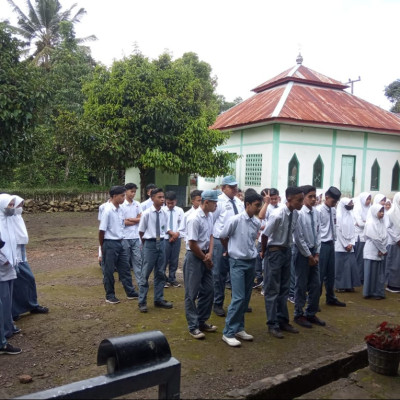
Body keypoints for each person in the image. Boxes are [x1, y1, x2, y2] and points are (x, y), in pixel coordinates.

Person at [220, 191, 262, 347]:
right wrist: (230, 250)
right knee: (237, 298)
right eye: (257, 205)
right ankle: (228, 332)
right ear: (248, 205)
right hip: (237, 262)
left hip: (251, 262)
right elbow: (223, 236)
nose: (258, 208)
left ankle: (239, 328)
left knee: (245, 298)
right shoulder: (235, 220)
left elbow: (253, 240)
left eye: (260, 205)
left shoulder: (256, 222)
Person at [261, 186, 304, 339]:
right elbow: (265, 234)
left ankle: (283, 320)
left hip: (287, 251)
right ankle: (272, 324)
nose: (301, 203)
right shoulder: (277, 214)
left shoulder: (295, 214)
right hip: (275, 251)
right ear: (289, 199)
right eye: (299, 200)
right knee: (272, 289)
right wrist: (264, 251)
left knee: (284, 288)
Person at [183, 190, 218, 340]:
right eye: (214, 202)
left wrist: (210, 253)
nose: (216, 205)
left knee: (209, 289)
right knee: (191, 293)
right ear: (206, 202)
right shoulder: (194, 218)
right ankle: (193, 326)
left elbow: (211, 235)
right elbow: (192, 243)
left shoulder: (209, 216)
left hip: (205, 255)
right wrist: (205, 257)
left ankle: (202, 320)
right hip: (194, 256)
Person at [99, 186, 139, 304]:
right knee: (109, 270)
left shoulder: (120, 209)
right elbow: (101, 231)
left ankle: (130, 292)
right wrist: (102, 247)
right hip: (110, 242)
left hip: (121, 241)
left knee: (125, 268)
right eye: (122, 196)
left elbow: (122, 224)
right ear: (114, 196)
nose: (123, 198)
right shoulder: (107, 211)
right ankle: (110, 295)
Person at [11, 196, 49, 320]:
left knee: (28, 279)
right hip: (11, 257)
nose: (20, 208)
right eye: (18, 205)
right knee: (13, 284)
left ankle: (32, 305)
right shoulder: (7, 219)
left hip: (21, 256)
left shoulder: (17, 218)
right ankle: (13, 311)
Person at [211, 175, 244, 317]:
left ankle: (237, 302)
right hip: (220, 241)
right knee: (219, 274)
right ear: (223, 188)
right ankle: (217, 303)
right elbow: (211, 221)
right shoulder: (218, 202)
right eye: (231, 187)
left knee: (236, 273)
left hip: (236, 241)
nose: (234, 189)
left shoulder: (239, 202)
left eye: (235, 186)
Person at [293, 185, 325, 329]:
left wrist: (317, 253)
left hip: (314, 251)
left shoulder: (316, 213)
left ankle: (311, 312)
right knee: (301, 284)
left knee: (316, 284)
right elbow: (299, 238)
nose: (313, 199)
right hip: (302, 252)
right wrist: (309, 255)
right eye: (310, 196)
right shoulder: (299, 213)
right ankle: (298, 314)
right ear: (303, 197)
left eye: (314, 196)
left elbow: (319, 233)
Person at [138, 188, 173, 313]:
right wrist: (147, 244)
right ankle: (142, 301)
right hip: (150, 243)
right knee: (145, 273)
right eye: (159, 197)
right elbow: (141, 231)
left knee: (160, 272)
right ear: (152, 198)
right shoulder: (147, 213)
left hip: (162, 243)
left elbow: (165, 228)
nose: (162, 199)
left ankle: (159, 299)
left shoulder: (164, 213)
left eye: (163, 197)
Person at [317, 186, 346, 307]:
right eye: (333, 201)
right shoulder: (318, 211)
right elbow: (317, 229)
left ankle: (331, 297)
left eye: (336, 202)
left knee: (330, 273)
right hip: (322, 244)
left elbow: (334, 226)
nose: (334, 204)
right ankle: (315, 301)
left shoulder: (333, 210)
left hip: (331, 243)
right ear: (326, 197)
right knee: (319, 274)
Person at [0, 194, 21, 341]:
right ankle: (5, 330)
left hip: (11, 265)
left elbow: (13, 242)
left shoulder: (8, 221)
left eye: (13, 205)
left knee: (9, 300)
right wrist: (3, 260)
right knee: (4, 299)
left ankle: (9, 325)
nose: (12, 208)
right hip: (2, 267)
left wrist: (15, 259)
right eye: (9, 205)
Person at [334, 198, 361, 292]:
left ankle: (349, 285)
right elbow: (338, 231)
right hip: (340, 245)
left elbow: (353, 230)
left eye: (352, 203)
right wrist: (345, 245)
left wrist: (351, 243)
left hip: (350, 245)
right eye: (349, 203)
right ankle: (340, 286)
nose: (351, 204)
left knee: (350, 266)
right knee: (340, 267)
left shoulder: (350, 215)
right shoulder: (338, 216)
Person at [363, 204, 388, 299]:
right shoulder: (370, 223)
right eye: (380, 211)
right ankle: (369, 292)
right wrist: (382, 249)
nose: (382, 213)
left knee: (378, 273)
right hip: (372, 250)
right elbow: (375, 238)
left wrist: (383, 249)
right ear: (374, 212)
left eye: (383, 211)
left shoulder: (381, 222)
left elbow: (385, 236)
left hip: (380, 250)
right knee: (371, 273)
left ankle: (378, 292)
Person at [121, 183, 142, 288]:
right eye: (131, 191)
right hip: (125, 237)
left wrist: (131, 219)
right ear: (126, 191)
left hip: (135, 236)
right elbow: (122, 222)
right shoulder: (121, 205)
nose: (133, 194)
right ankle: (127, 284)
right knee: (125, 262)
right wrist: (135, 220)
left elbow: (141, 218)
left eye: (134, 191)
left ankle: (140, 283)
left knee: (138, 261)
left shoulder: (137, 204)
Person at [163, 191, 184, 288]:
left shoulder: (179, 211)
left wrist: (176, 234)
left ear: (176, 201)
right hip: (166, 238)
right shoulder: (162, 210)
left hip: (176, 238)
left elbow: (182, 224)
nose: (170, 205)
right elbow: (162, 225)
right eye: (168, 203)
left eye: (172, 203)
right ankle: (163, 279)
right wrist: (170, 233)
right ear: (165, 201)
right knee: (164, 259)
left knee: (174, 259)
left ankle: (172, 278)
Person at [353, 192, 371, 283]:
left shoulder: (370, 208)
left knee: (364, 258)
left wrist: (365, 222)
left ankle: (362, 277)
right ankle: (357, 277)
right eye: (367, 199)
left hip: (366, 236)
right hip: (359, 236)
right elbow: (360, 224)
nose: (368, 201)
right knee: (359, 258)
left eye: (369, 199)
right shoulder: (358, 208)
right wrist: (366, 223)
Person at [385, 192, 400, 293]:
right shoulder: (391, 213)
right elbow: (388, 227)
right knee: (394, 265)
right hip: (394, 243)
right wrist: (397, 239)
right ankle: (392, 285)